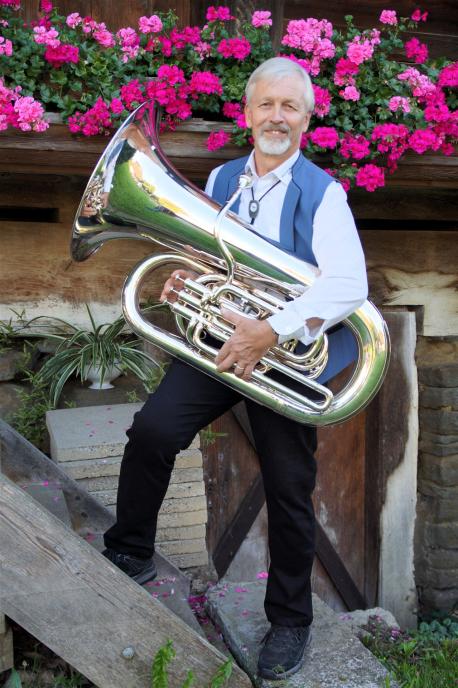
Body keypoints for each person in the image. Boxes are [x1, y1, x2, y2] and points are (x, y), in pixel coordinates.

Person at [102, 57, 368, 681]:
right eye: (266, 104)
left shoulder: (324, 194)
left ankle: (291, 622)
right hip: (222, 342)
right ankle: (130, 550)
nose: (277, 117)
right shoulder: (222, 177)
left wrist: (272, 329)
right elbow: (208, 256)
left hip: (283, 356)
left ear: (306, 119)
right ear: (246, 114)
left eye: (290, 107)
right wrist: (184, 278)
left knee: (289, 486)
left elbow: (349, 285)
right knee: (153, 431)